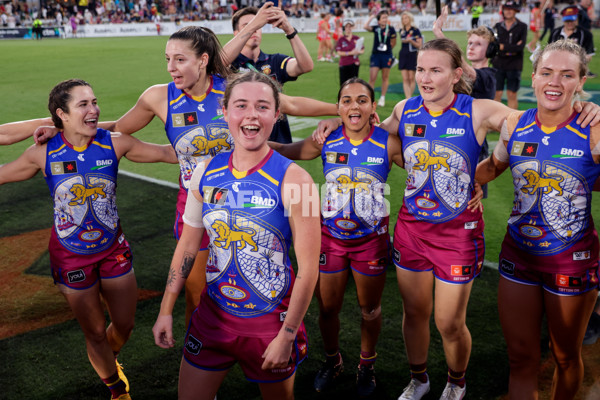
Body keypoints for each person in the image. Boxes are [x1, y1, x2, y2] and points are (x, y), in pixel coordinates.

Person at [313, 37, 600, 400]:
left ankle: (456, 382)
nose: (425, 77)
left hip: (458, 237)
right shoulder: (404, 109)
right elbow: (364, 130)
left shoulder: (477, 110)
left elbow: (533, 125)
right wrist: (330, 125)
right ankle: (419, 380)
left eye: (436, 70)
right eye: (420, 69)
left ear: (456, 74)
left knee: (449, 322)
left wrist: (586, 111)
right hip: (411, 231)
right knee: (414, 314)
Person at [4, 26, 337, 329]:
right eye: (168, 59)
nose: (170, 67)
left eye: (179, 59)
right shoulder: (158, 97)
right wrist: (58, 126)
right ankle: (205, 351)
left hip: (248, 201)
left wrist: (343, 112)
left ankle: (265, 340)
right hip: (194, 207)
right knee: (197, 295)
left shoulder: (232, 88)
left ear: (203, 60)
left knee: (256, 282)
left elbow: (288, 103)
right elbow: (118, 127)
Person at [0, 79, 177, 400]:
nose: (94, 110)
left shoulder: (115, 143)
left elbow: (167, 154)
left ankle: (105, 358)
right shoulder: (42, 153)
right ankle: (117, 389)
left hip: (113, 250)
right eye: (83, 105)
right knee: (94, 331)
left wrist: (222, 144)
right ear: (61, 115)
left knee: (124, 325)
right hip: (70, 257)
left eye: (94, 102)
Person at [151, 71, 320, 400]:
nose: (252, 115)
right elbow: (188, 244)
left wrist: (287, 334)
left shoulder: (298, 181)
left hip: (270, 324)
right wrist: (166, 309)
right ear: (225, 111)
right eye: (241, 105)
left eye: (262, 106)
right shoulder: (205, 172)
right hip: (212, 319)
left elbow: (309, 268)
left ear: (277, 114)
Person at [475, 39, 600, 399]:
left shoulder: (592, 128)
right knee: (521, 357)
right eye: (546, 72)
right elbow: (493, 167)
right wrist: (461, 179)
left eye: (566, 74)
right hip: (519, 255)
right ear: (534, 77)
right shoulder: (516, 124)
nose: (554, 82)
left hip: (571, 261)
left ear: (580, 81)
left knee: (564, 356)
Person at [270, 78, 404, 397]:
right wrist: (251, 145)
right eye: (346, 100)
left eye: (361, 100)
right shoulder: (326, 138)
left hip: (371, 242)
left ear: (373, 107)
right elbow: (288, 152)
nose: (353, 106)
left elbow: (424, 171)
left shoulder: (389, 142)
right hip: (330, 239)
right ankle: (333, 361)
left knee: (369, 309)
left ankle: (366, 365)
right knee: (328, 308)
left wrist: (474, 183)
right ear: (338, 106)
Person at [223, 2, 314, 144]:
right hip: (245, 143)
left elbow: (306, 66)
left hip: (279, 145)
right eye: (246, 26)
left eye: (258, 26)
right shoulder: (229, 65)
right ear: (236, 33)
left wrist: (288, 29)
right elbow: (215, 63)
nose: (254, 30)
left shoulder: (274, 61)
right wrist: (254, 23)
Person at [433, 5, 498, 199]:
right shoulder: (460, 73)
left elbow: (469, 73)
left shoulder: (488, 76)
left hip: (473, 146)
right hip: (450, 140)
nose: (471, 46)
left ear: (491, 50)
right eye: (469, 42)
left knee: (470, 202)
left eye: (478, 44)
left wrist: (438, 32)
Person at [492, 1, 528, 109]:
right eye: (506, 9)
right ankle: (495, 123)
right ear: (503, 11)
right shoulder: (497, 26)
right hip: (498, 63)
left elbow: (520, 47)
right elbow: (494, 46)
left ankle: (512, 122)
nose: (508, 11)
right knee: (496, 93)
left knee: (512, 94)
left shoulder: (522, 26)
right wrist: (511, 47)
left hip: (514, 64)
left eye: (511, 9)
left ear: (515, 11)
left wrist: (503, 47)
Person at [548, 5, 595, 77]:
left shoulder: (586, 34)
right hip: (556, 70)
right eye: (567, 21)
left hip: (575, 71)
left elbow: (589, 55)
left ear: (577, 19)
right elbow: (548, 51)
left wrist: (574, 61)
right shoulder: (555, 33)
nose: (570, 23)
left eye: (572, 20)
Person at [364, 8, 397, 108]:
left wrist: (386, 50)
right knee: (372, 77)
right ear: (379, 20)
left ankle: (382, 97)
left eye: (386, 17)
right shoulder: (376, 28)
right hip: (375, 55)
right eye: (383, 17)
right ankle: (370, 99)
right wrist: (371, 17)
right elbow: (365, 26)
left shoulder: (391, 29)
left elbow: (393, 43)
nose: (385, 19)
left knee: (385, 77)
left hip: (387, 55)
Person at [398, 11, 423, 100]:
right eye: (403, 18)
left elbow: (419, 45)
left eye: (406, 18)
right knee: (405, 78)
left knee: (411, 77)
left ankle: (409, 97)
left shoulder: (416, 30)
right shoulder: (401, 30)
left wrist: (411, 41)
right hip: (403, 54)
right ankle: (407, 98)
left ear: (410, 18)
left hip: (412, 55)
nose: (404, 20)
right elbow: (402, 40)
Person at [335, 19, 364, 86]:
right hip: (344, 64)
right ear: (344, 28)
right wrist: (351, 53)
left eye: (350, 26)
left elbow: (362, 50)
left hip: (354, 63)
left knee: (354, 84)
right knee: (343, 84)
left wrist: (358, 52)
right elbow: (339, 53)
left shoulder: (356, 38)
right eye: (346, 26)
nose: (348, 28)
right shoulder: (341, 39)